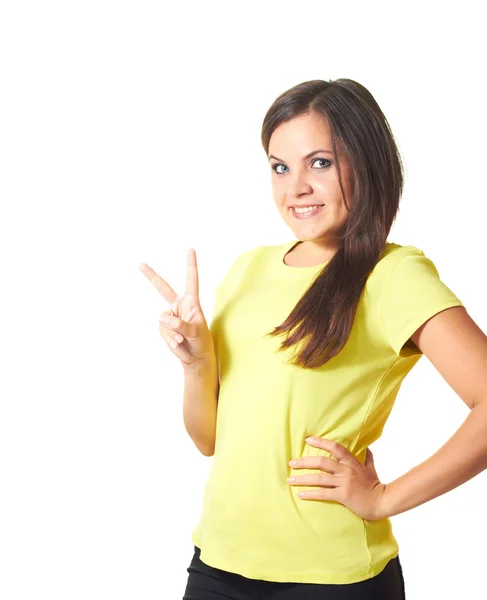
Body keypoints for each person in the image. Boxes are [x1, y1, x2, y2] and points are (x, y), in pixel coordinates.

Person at [140, 78, 487, 599]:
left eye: (319, 163)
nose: (295, 187)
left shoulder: (393, 275)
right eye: (280, 167)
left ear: (364, 164)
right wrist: (196, 363)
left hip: (332, 578)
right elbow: (209, 440)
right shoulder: (247, 269)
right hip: (217, 564)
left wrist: (384, 499)